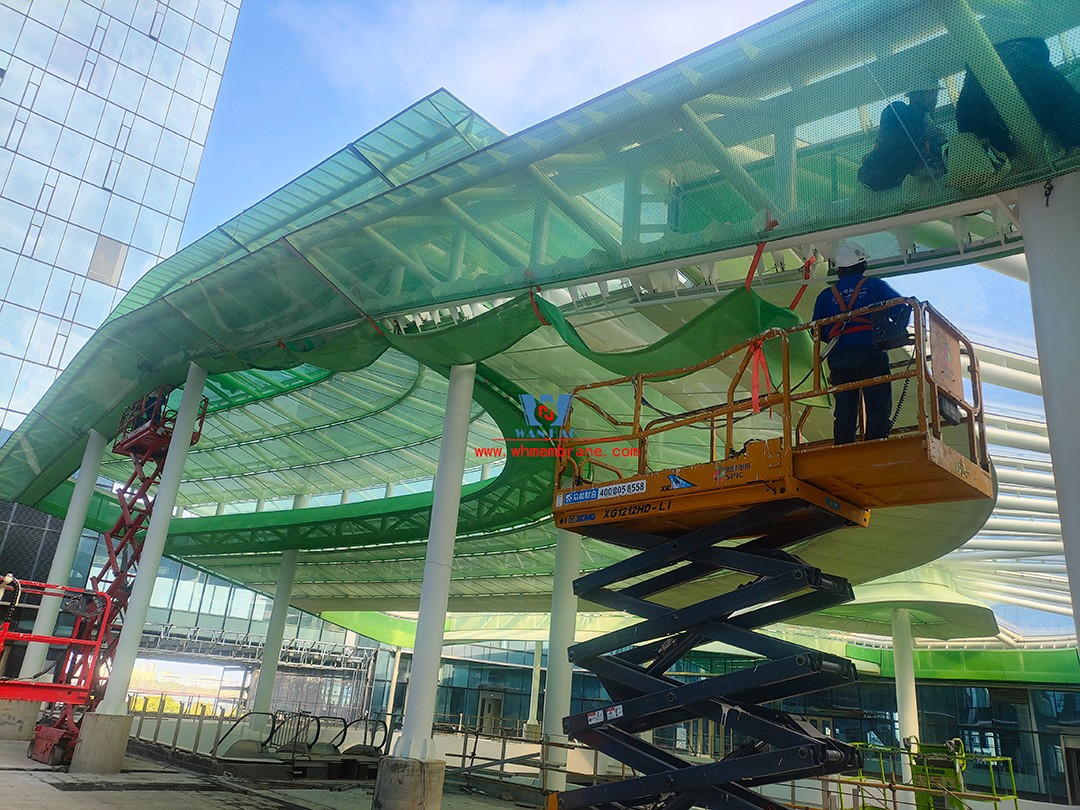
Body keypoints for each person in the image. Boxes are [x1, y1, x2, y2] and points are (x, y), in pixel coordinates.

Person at [812, 243, 904, 445]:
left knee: (844, 410)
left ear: (839, 270)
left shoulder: (826, 296)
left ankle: (843, 448)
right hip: (870, 353)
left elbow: (816, 331)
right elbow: (901, 307)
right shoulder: (873, 285)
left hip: (839, 359)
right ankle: (876, 444)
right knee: (878, 405)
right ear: (862, 265)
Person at [956, 37, 1080, 158]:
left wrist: (1008, 152)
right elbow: (1062, 100)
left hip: (996, 147)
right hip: (1051, 130)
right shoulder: (1025, 54)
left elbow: (966, 124)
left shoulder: (974, 72)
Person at [857, 87, 947, 191]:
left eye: (935, 94)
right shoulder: (898, 111)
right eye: (930, 93)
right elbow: (890, 140)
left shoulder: (927, 120)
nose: (934, 98)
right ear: (915, 94)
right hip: (904, 176)